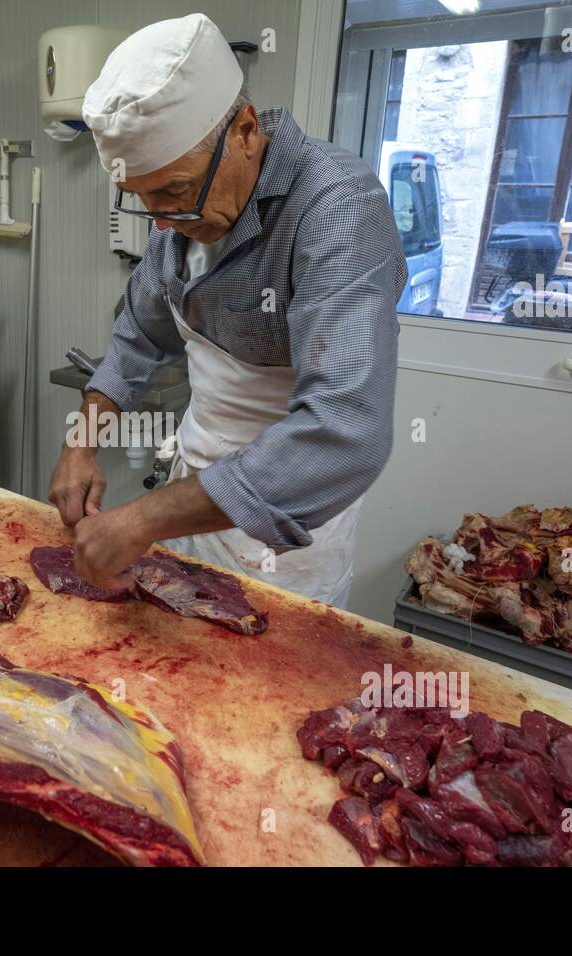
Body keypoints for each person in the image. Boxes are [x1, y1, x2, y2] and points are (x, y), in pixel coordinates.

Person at [48, 13, 406, 607]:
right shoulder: (187, 213)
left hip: (284, 537)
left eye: (173, 193)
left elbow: (345, 432)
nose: (160, 222)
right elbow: (139, 332)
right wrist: (81, 439)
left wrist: (139, 521)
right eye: (142, 200)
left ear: (244, 130)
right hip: (189, 503)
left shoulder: (339, 209)